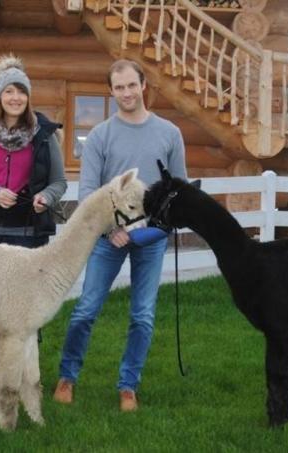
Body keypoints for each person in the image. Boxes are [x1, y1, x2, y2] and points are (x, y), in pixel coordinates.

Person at [53, 59, 187, 411]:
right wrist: (111, 230)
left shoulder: (169, 133)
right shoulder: (100, 136)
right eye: (119, 87)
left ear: (144, 85)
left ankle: (128, 386)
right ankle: (67, 377)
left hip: (151, 238)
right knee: (86, 309)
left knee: (142, 314)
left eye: (132, 85)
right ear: (111, 91)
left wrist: (150, 230)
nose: (126, 93)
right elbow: (87, 192)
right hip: (107, 237)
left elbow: (177, 190)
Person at [0, 53, 67, 387]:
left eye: (21, 91)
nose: (15, 97)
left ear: (28, 96)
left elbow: (59, 182)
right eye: (9, 92)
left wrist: (46, 198)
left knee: (29, 307)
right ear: (0, 96)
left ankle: (27, 372)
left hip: (30, 234)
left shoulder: (45, 135)